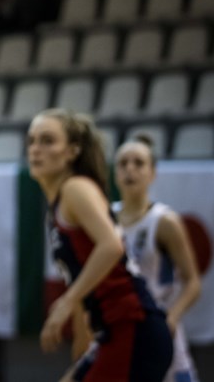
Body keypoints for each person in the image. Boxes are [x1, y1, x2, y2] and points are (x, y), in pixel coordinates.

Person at [27, 108, 173, 382]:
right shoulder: (58, 204)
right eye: (32, 141)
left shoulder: (75, 189)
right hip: (112, 330)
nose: (35, 149)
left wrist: (65, 304)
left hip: (133, 326)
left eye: (47, 141)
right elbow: (87, 275)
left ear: (72, 151)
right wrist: (84, 335)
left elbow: (111, 246)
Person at [113, 133, 202, 382]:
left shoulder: (165, 221)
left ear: (152, 173)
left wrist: (170, 319)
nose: (130, 169)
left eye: (138, 163)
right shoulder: (105, 218)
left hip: (157, 324)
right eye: (123, 163)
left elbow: (193, 282)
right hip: (119, 327)